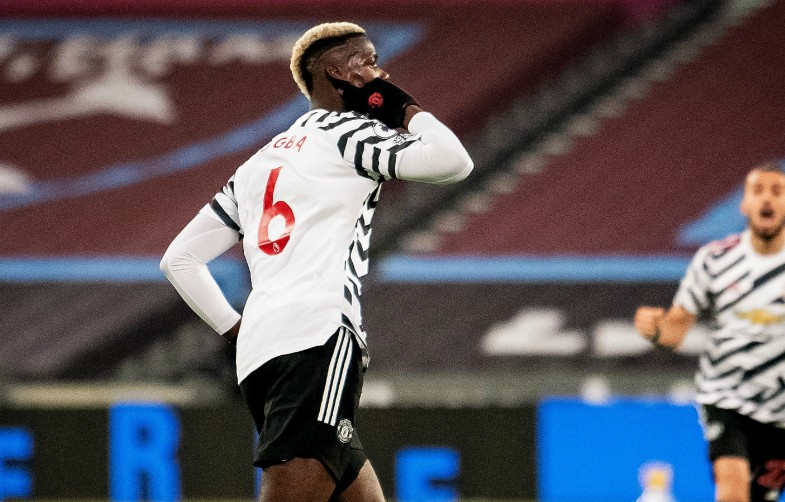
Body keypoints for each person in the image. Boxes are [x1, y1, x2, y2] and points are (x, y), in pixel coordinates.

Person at [159, 21, 473, 502]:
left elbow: (179, 260)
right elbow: (454, 161)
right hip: (319, 338)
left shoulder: (257, 162)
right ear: (336, 72)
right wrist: (403, 106)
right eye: (366, 61)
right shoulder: (350, 134)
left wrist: (236, 329)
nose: (379, 71)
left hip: (260, 356)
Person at [634, 161, 785, 502]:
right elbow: (677, 329)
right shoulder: (714, 260)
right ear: (744, 204)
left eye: (777, 191)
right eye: (757, 190)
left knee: (760, 496)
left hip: (779, 406)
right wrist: (656, 330)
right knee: (731, 487)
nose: (767, 199)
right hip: (726, 395)